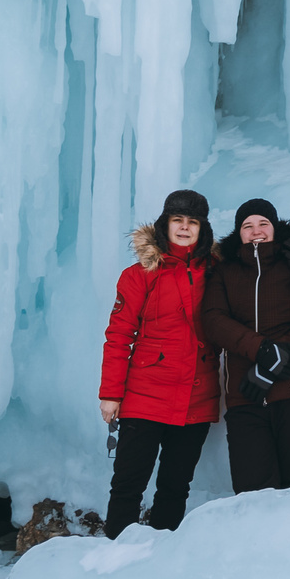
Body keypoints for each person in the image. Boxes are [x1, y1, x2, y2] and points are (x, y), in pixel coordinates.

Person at [97, 189, 221, 535]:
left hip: (197, 396)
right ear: (165, 224)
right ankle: (116, 556)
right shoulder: (139, 275)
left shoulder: (217, 270)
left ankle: (161, 560)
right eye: (178, 220)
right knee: (128, 484)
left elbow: (260, 258)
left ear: (202, 229)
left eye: (192, 222)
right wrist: (111, 393)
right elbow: (119, 335)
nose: (184, 227)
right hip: (144, 397)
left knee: (175, 486)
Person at [199, 197, 290, 492]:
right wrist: (262, 350)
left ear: (275, 228)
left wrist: (280, 356)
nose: (256, 230)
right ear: (239, 232)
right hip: (246, 395)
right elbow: (214, 319)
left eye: (263, 223)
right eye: (248, 226)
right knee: (252, 492)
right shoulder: (225, 270)